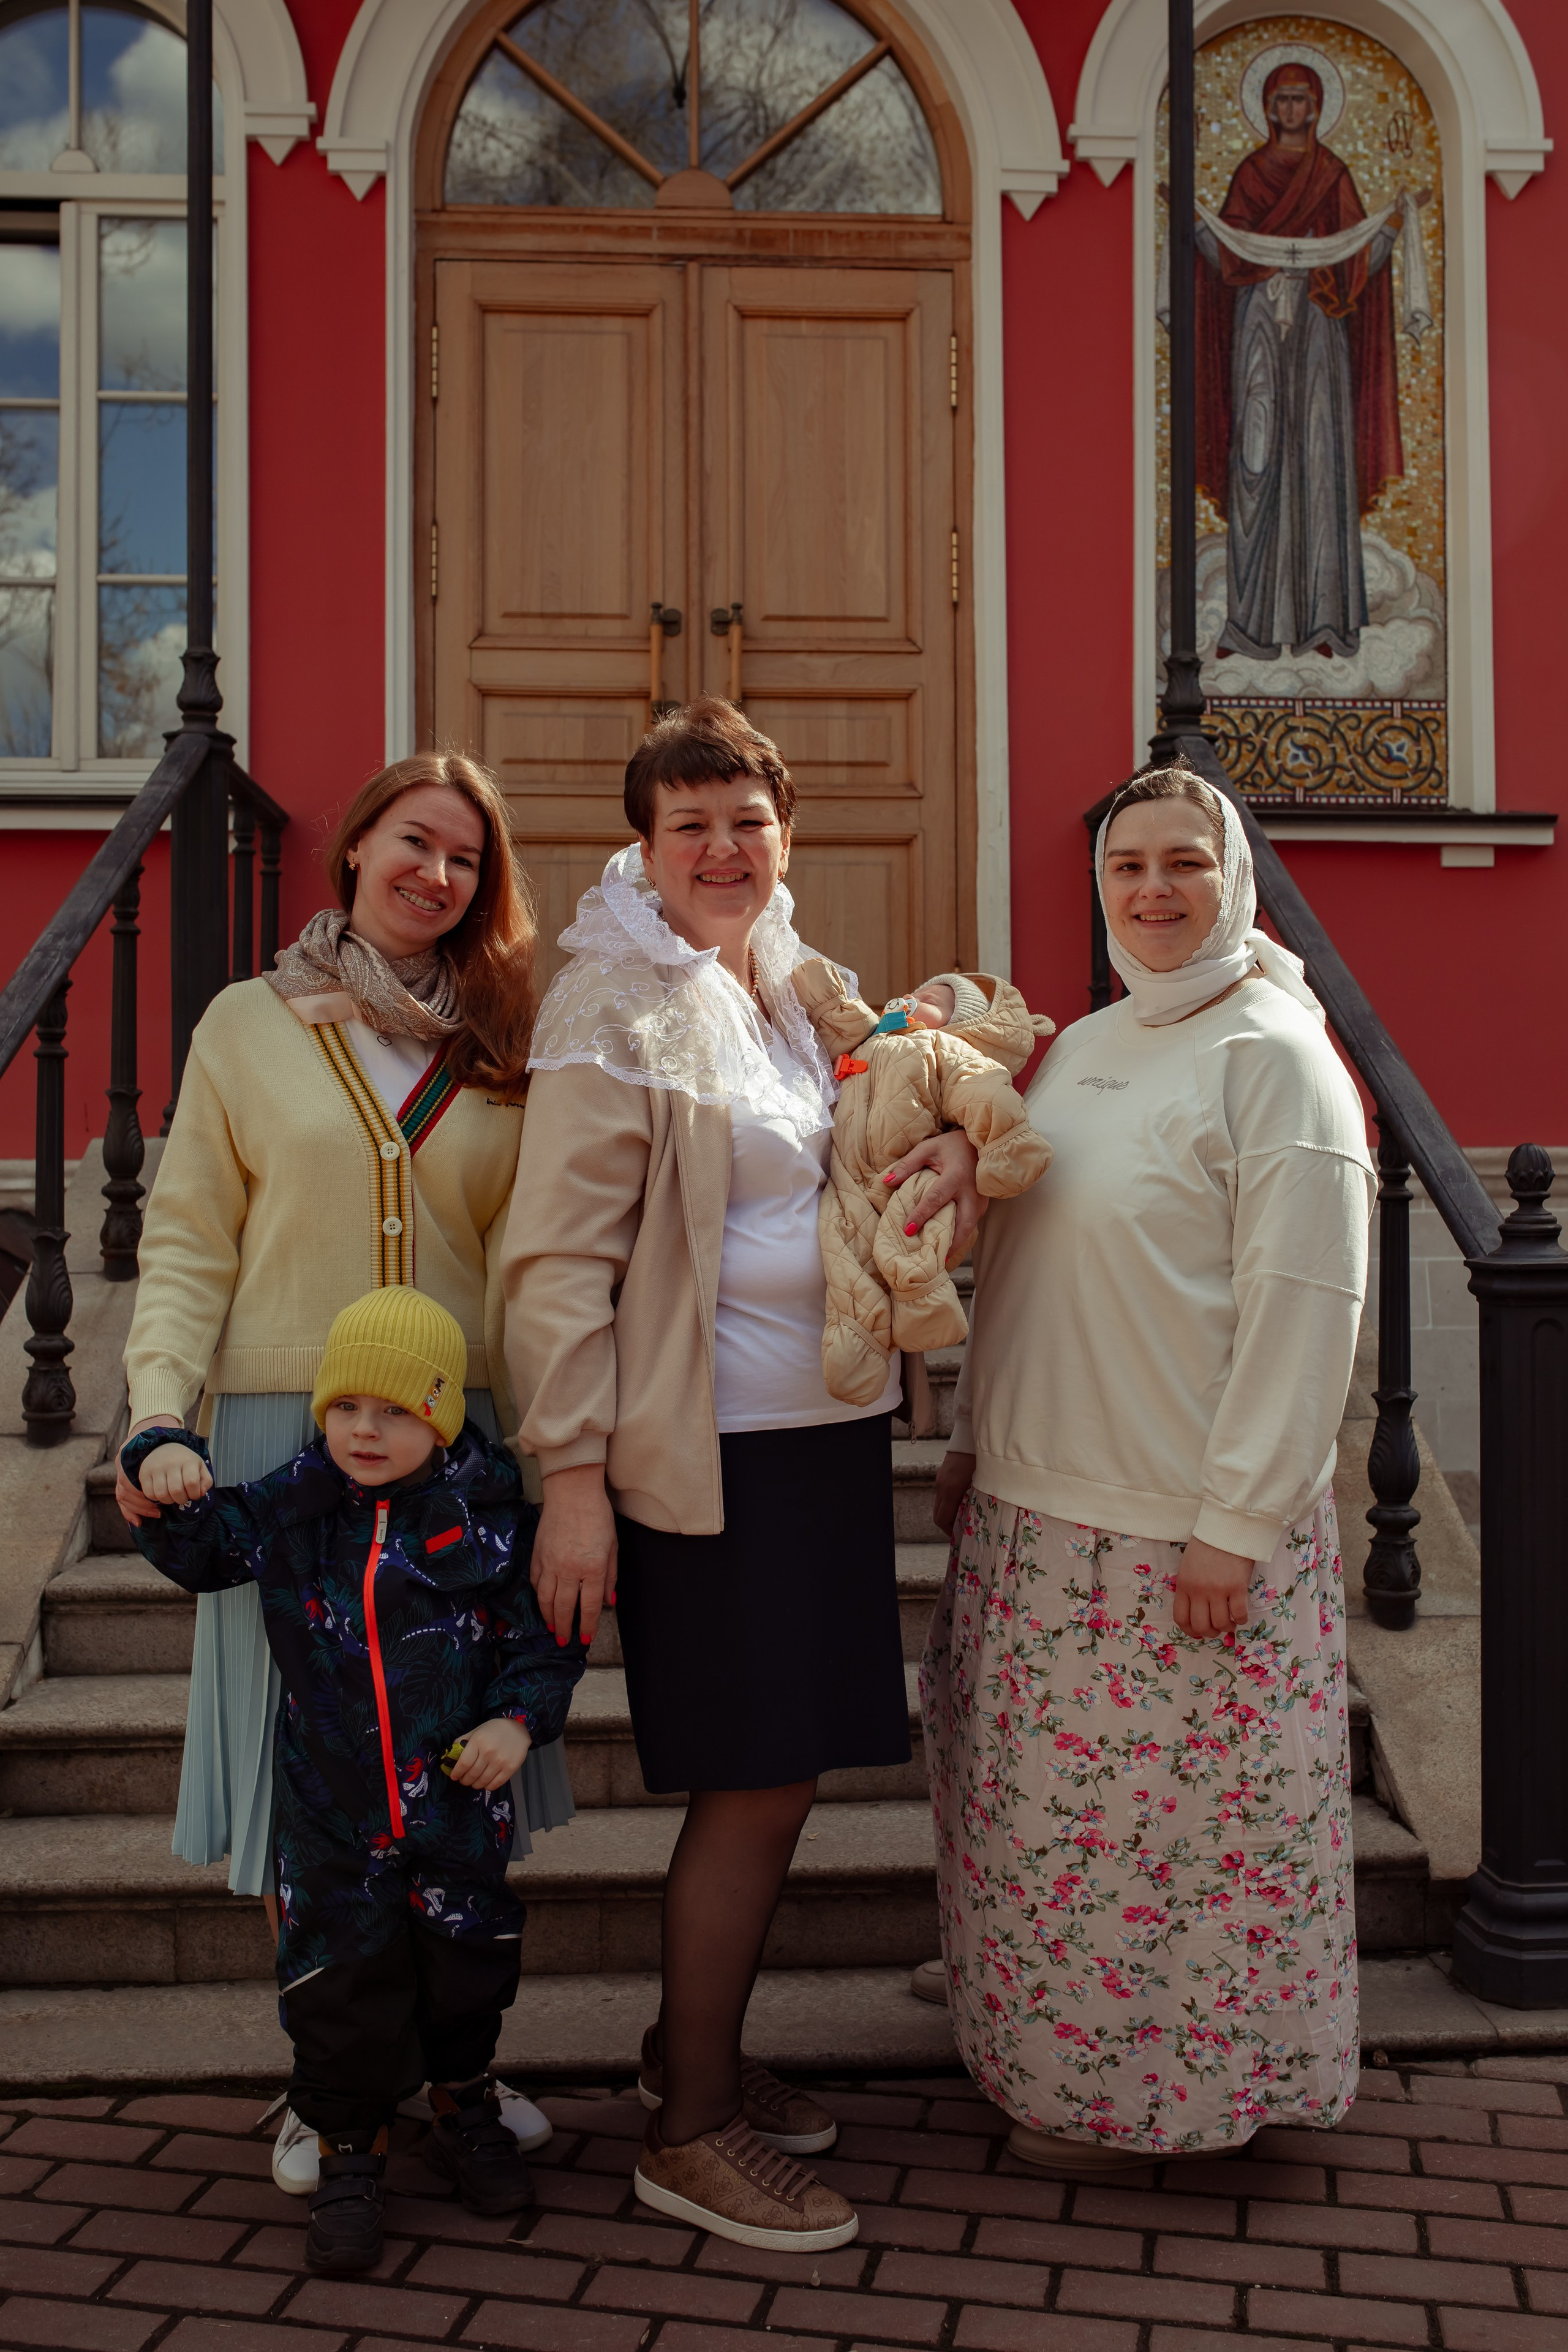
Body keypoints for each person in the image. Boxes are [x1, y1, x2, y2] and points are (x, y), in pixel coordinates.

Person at [505, 696, 985, 2252]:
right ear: (641, 846)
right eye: (689, 823)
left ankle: (688, 2046)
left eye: (746, 821)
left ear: (783, 837)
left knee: (783, 1775)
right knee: (753, 1778)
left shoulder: (781, 980)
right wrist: (570, 1477)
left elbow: (889, 1108)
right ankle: (686, 2125)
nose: (721, 848)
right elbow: (555, 1267)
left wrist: (959, 1148)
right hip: (707, 1459)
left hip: (820, 1435)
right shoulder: (616, 1004)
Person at [115, 749, 567, 2187]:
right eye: (413, 841)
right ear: (357, 843)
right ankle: (331, 2086)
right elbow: (188, 1233)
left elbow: (538, 1257)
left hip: (457, 1458)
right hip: (280, 1440)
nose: (436, 873)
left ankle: (455, 2080)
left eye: (465, 860)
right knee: (308, 1789)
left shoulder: (510, 1032)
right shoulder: (249, 1024)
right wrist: (156, 1415)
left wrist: (553, 1457)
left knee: (445, 1795)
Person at [922, 763, 1374, 2173]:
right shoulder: (1081, 1046)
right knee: (1054, 1851)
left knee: (1166, 1856)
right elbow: (1021, 1263)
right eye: (1127, 867)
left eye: (1184, 861)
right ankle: (1044, 2062)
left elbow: (1305, 1308)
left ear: (1230, 877)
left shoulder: (1276, 1057)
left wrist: (1232, 1526)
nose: (1154, 890)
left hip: (1172, 1540)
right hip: (1035, 1519)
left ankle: (1156, 2112)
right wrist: (966, 1438)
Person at [124, 1288, 585, 2274]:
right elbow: (205, 1547)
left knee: (467, 1964)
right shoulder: (296, 1506)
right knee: (338, 1989)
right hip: (333, 1814)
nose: (364, 1431)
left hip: (456, 1805)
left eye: (394, 1412)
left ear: (440, 1416)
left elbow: (545, 1638)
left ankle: (464, 2101)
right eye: (345, 1409)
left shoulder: (490, 1517)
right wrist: (158, 1474)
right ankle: (350, 2150)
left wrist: (517, 1721)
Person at [1177, 59, 1430, 659]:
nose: (1291, 109)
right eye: (1281, 98)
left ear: (1317, 106)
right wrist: (1194, 224)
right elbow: (1226, 256)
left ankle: (1324, 625)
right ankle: (1248, 625)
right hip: (1260, 326)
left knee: (1320, 465)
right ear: (1267, 106)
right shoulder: (1249, 174)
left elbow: (1356, 264)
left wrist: (1392, 226)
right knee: (1257, 463)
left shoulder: (1331, 174)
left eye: (1301, 98)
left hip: (1320, 331)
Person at [790, 960, 1053, 1402]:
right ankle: (858, 1344)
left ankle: (925, 1309)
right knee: (844, 1258)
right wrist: (821, 991)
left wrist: (1008, 1142)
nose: (913, 998)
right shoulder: (873, 1040)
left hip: (911, 1175)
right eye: (913, 991)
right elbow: (840, 1019)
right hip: (848, 1181)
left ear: (967, 1026)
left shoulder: (945, 1050)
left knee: (910, 1238)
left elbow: (983, 1092)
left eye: (930, 1000)